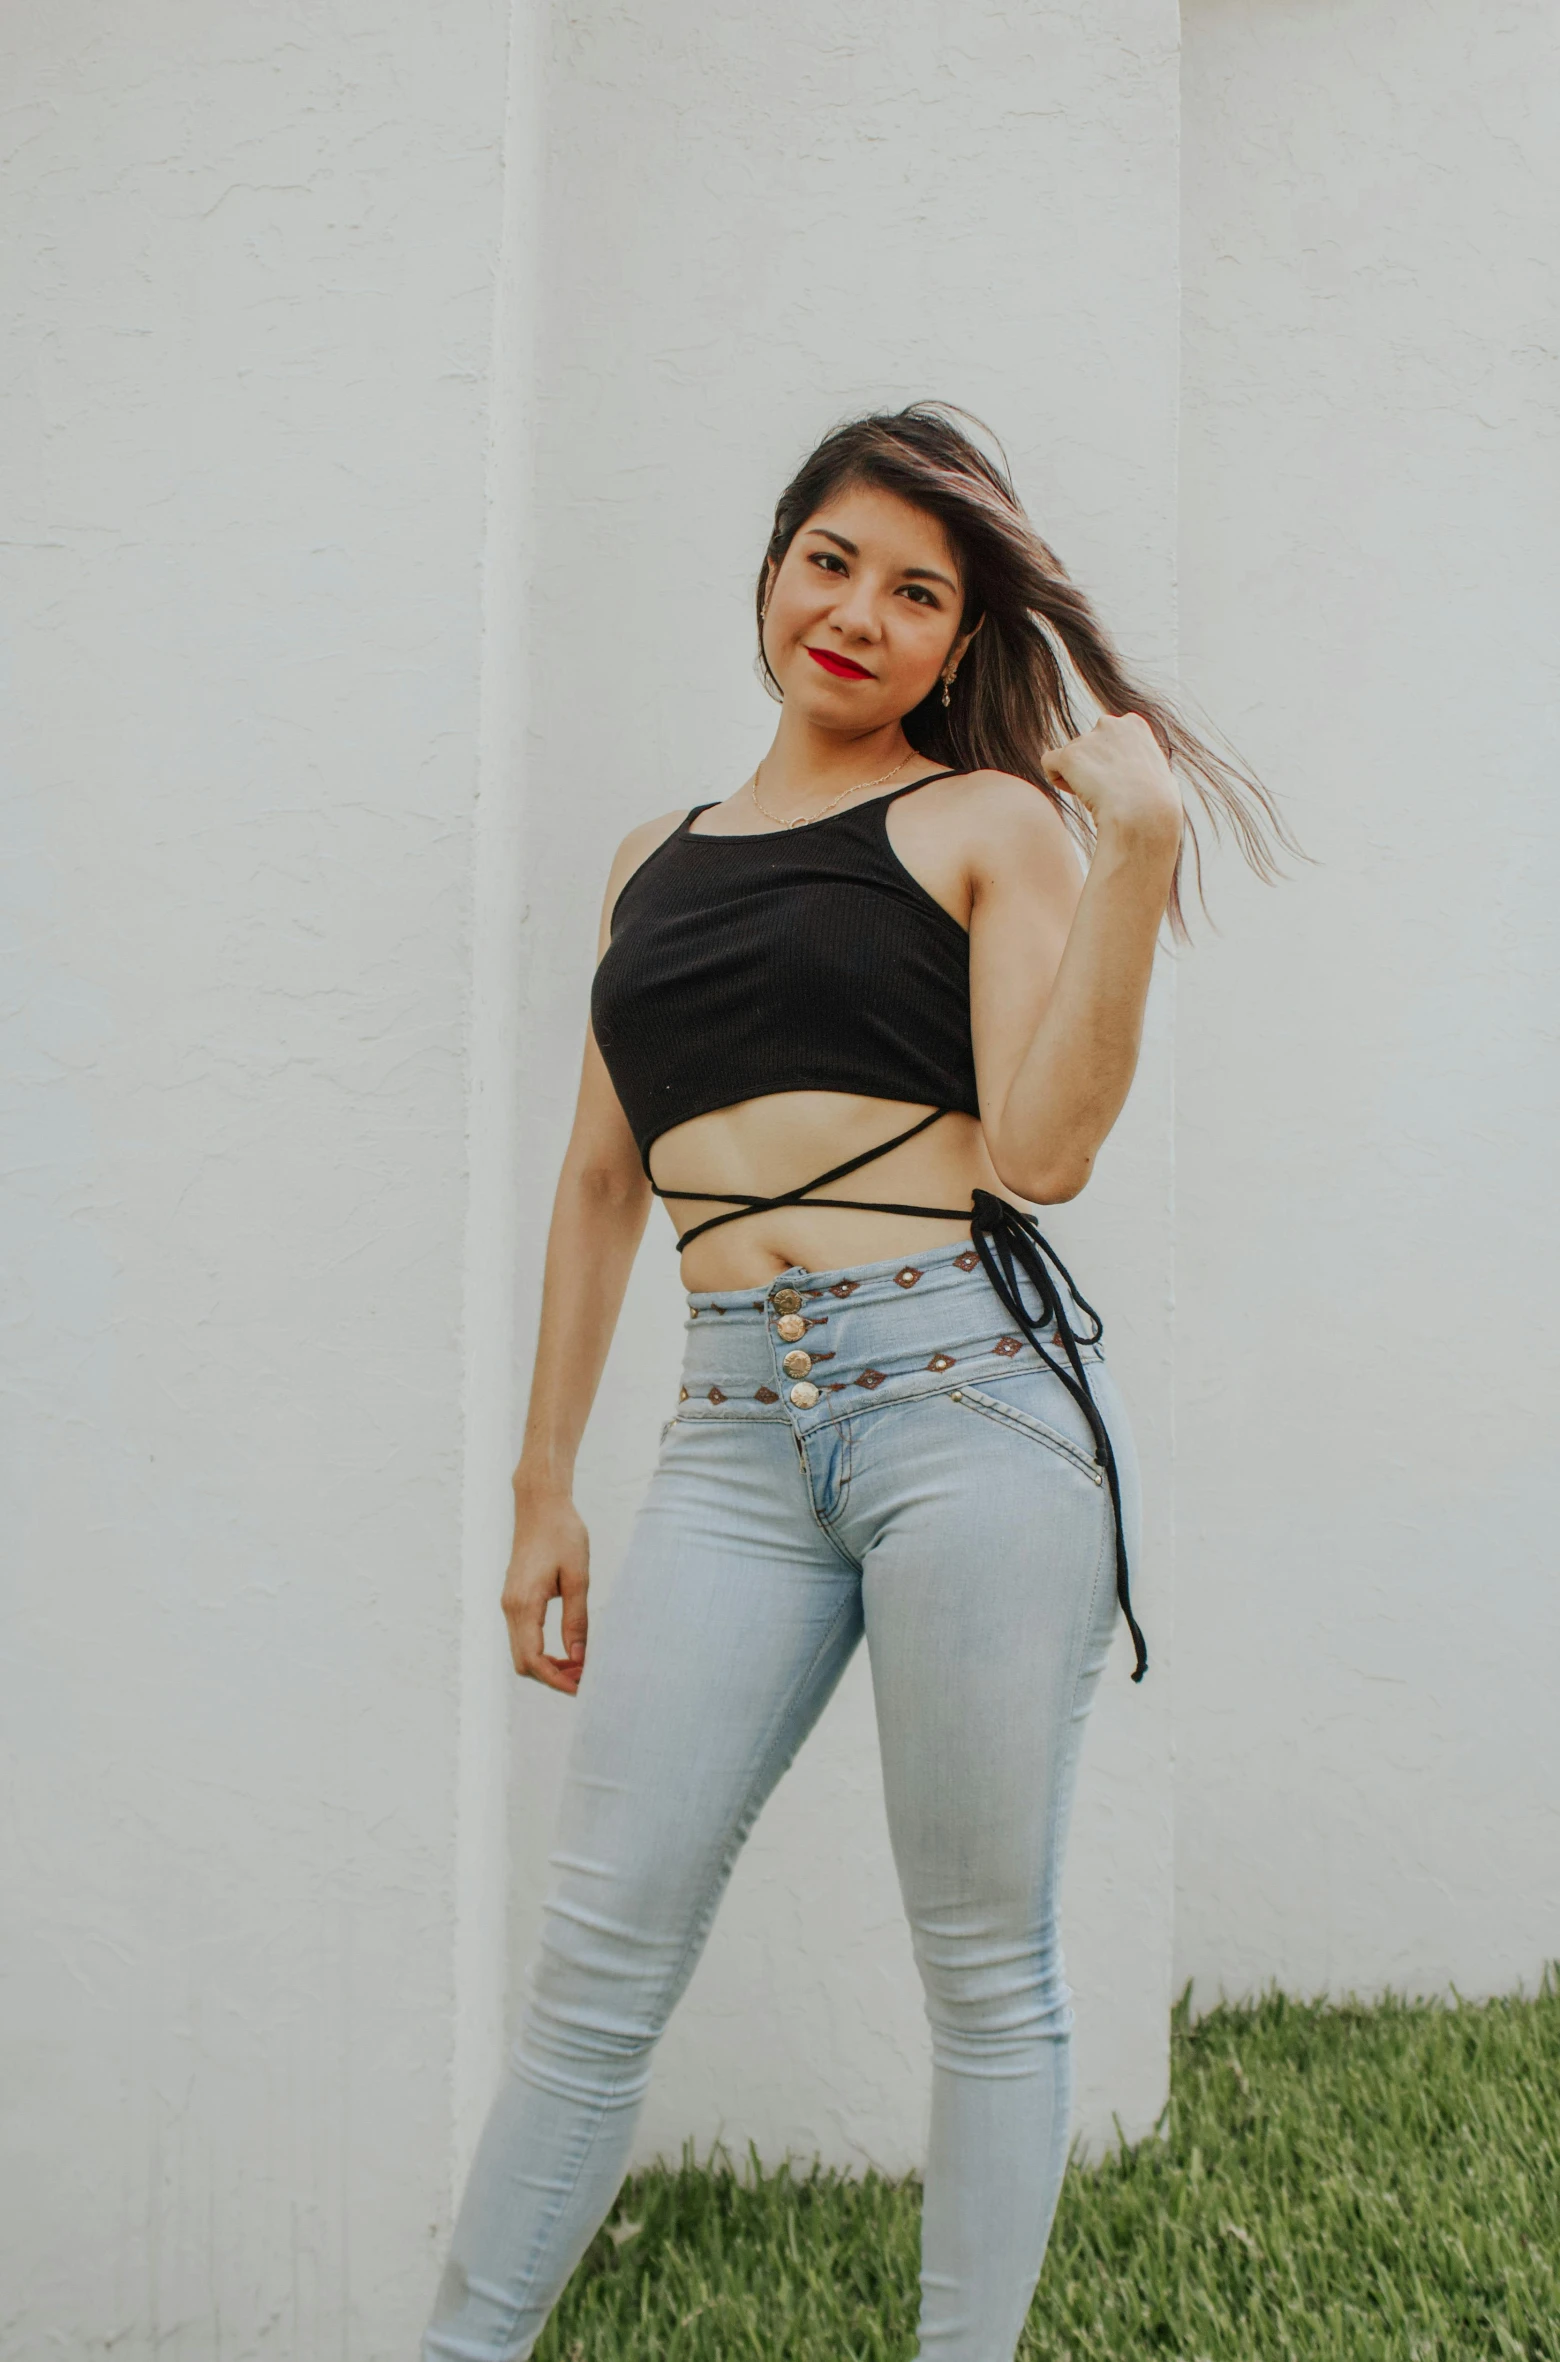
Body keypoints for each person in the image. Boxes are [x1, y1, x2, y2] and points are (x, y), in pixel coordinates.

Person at [421, 403, 1290, 2361]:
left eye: (920, 591)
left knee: (985, 1962)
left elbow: (1045, 1146)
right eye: (834, 559)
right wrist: (543, 1482)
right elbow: (595, 1179)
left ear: (959, 640)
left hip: (970, 1404)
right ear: (772, 568)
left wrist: (1136, 852)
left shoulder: (986, 823)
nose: (861, 612)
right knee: (595, 1963)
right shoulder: (656, 856)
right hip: (729, 1429)